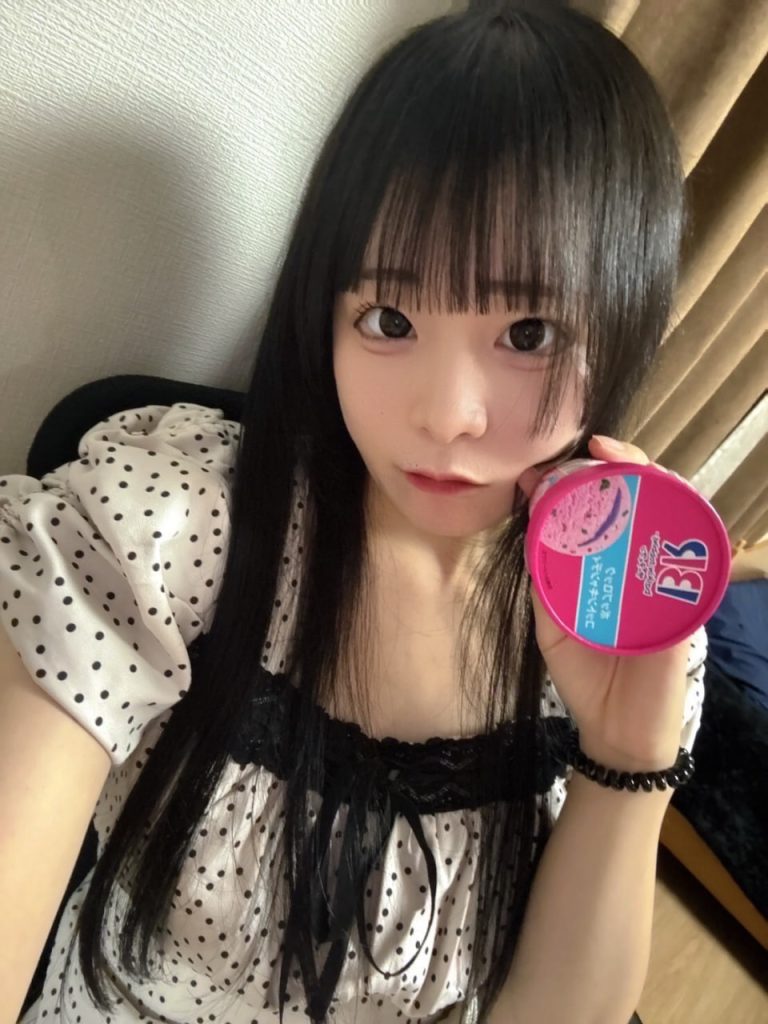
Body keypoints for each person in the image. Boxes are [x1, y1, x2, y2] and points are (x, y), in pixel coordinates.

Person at [0, 2, 709, 1022]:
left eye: (529, 332)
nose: (447, 415)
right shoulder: (176, 526)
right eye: (388, 317)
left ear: (628, 320)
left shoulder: (625, 619)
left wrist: (628, 762)